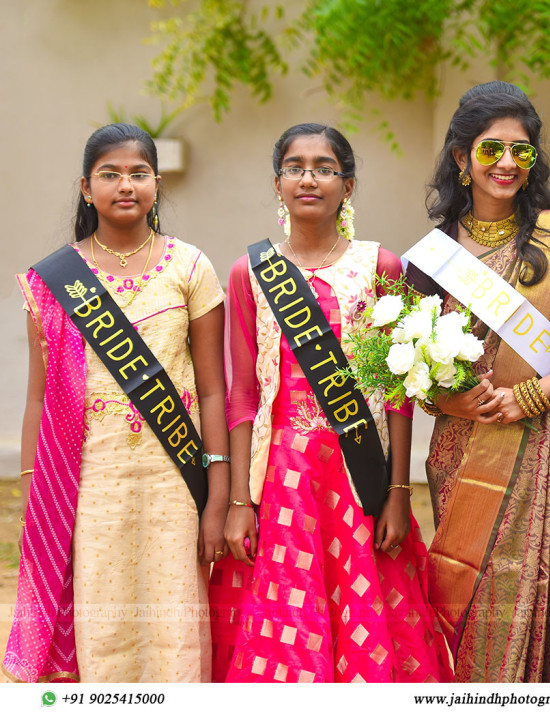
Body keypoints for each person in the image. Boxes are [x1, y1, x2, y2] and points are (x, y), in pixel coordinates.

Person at [208, 123, 451, 683]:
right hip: (283, 478)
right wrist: (241, 500)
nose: (308, 178)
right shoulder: (250, 272)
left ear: (348, 184)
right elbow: (244, 394)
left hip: (358, 474)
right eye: (295, 166)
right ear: (277, 183)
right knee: (287, 625)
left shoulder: (381, 267)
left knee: (365, 613)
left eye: (324, 167)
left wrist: (396, 492)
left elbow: (398, 393)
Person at [405, 81, 550, 682]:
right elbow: (408, 369)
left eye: (520, 151)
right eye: (491, 150)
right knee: (481, 601)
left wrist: (530, 394)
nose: (506, 164)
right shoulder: (432, 255)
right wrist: (451, 399)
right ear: (459, 157)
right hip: (468, 450)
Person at [4, 123, 228, 682]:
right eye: (110, 174)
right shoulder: (53, 281)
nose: (125, 185)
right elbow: (37, 396)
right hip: (89, 483)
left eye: (138, 173)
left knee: (175, 622)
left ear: (157, 184)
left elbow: (213, 389)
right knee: (100, 626)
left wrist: (219, 497)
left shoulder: (190, 268)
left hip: (176, 482)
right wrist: (37, 490)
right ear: (86, 187)